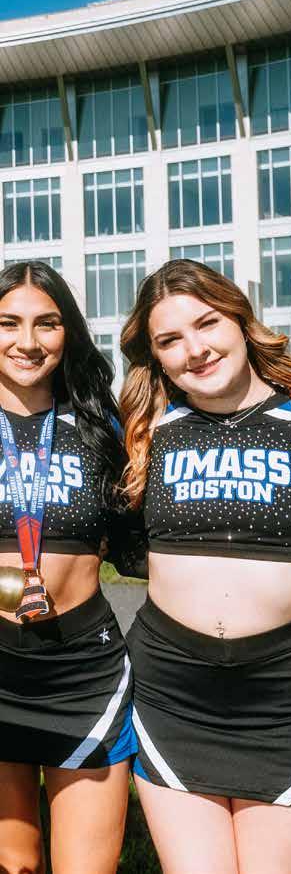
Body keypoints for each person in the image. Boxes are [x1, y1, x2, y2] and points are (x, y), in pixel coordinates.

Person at [120, 258, 291, 874]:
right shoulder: (147, 431)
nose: (195, 350)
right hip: (171, 694)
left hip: (287, 699)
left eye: (207, 323)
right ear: (155, 356)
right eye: (170, 339)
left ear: (241, 321)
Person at [0, 260, 137, 874]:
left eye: (47, 323)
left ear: (69, 332)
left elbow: (136, 539)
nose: (27, 342)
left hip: (81, 669)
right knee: (14, 864)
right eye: (8, 323)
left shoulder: (100, 426)